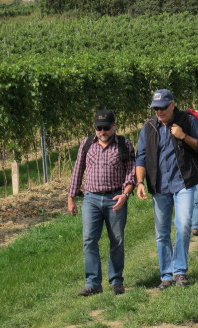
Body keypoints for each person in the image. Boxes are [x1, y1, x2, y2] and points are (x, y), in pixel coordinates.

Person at [135, 89, 198, 289]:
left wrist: (183, 136)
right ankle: (166, 275)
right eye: (155, 108)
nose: (159, 111)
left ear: (173, 104)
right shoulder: (149, 127)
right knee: (162, 232)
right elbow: (140, 156)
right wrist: (140, 182)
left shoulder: (188, 120)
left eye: (163, 107)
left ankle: (180, 272)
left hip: (184, 183)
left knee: (184, 224)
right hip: (159, 186)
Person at [67, 109, 136, 297]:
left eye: (106, 128)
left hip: (115, 197)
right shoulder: (86, 144)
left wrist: (125, 194)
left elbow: (131, 172)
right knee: (89, 239)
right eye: (99, 128)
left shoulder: (124, 144)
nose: (102, 132)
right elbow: (77, 170)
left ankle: (116, 281)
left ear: (114, 126)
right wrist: (71, 197)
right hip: (91, 198)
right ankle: (92, 283)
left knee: (117, 240)